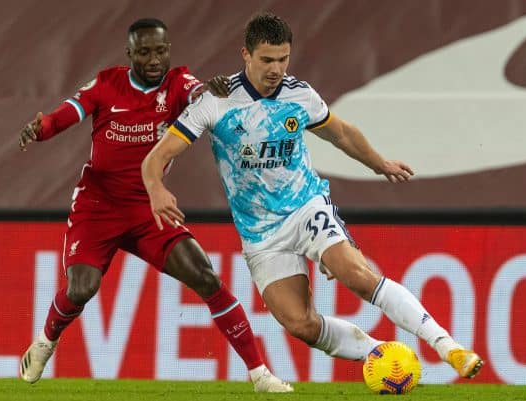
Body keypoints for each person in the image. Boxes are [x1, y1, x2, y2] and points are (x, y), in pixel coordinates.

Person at [141, 13, 484, 379]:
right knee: (300, 324)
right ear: (246, 54)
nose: (276, 69)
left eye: (283, 59)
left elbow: (342, 133)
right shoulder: (217, 102)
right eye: (267, 59)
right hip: (261, 234)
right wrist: (156, 188)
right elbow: (156, 157)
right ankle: (381, 355)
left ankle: (448, 346)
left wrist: (379, 163)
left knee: (356, 275)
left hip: (306, 207)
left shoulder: (299, 95)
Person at [17, 18, 292, 393]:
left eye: (160, 51)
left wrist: (210, 91)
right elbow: (68, 113)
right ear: (129, 54)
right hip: (98, 207)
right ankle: (46, 340)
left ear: (168, 52)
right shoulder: (106, 84)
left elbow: (198, 95)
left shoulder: (178, 83)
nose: (153, 60)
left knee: (205, 275)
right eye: (144, 52)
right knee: (81, 288)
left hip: (149, 209)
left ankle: (260, 374)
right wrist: (42, 127)